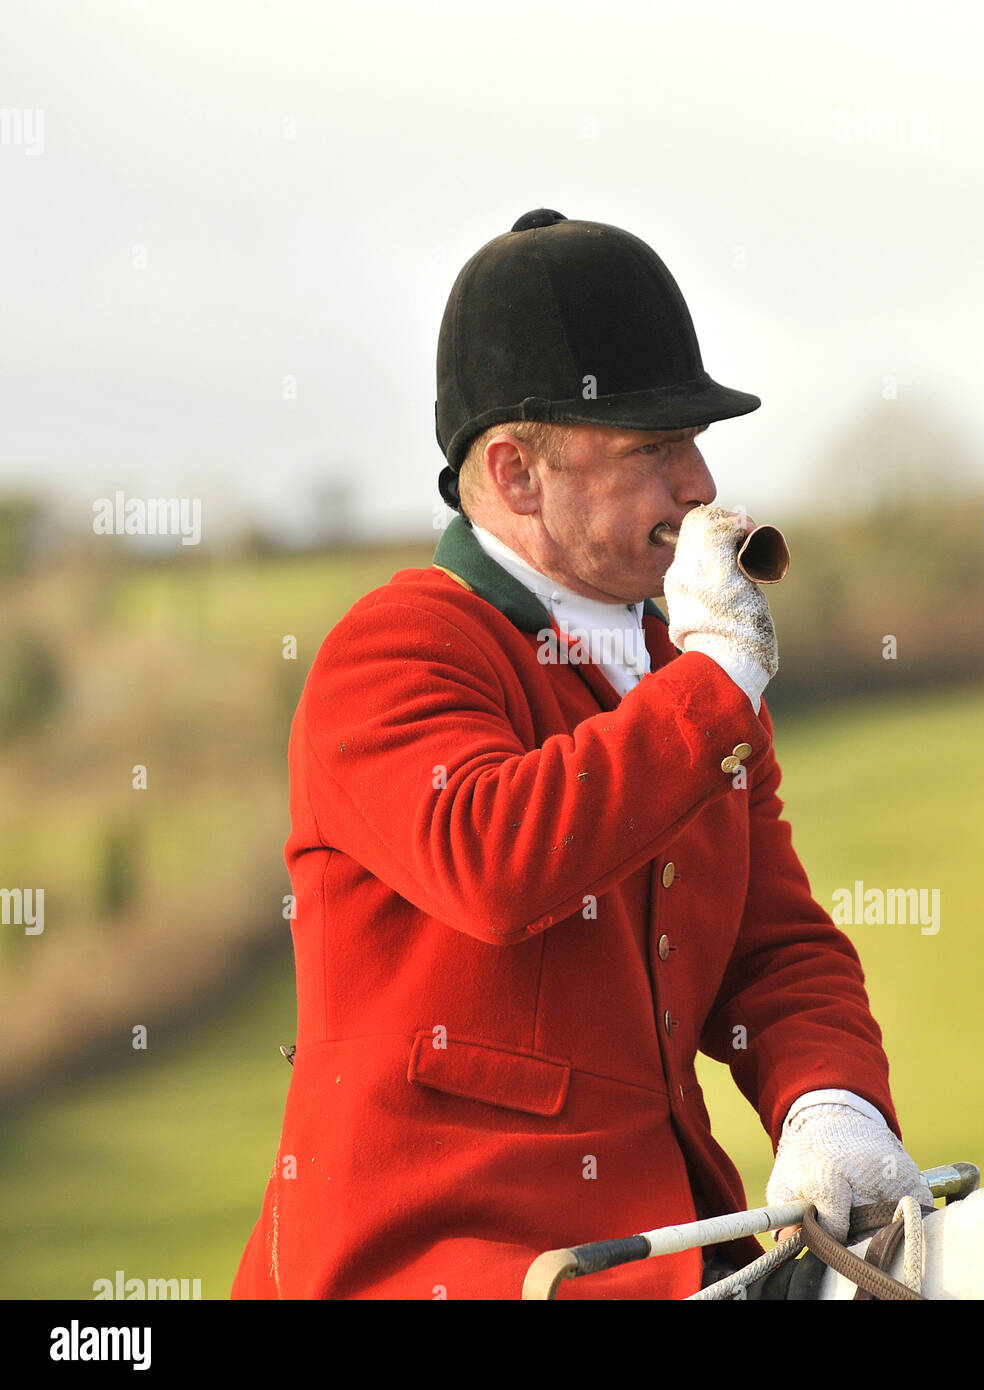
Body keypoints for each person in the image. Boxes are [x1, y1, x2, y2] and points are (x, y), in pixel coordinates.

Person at [231, 209, 927, 1301]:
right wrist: (710, 689)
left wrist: (828, 1101)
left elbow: (772, 946)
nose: (697, 484)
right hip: (433, 1267)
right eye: (653, 448)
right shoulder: (396, 646)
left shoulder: (681, 672)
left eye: (694, 442)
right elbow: (496, 861)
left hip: (655, 1254)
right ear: (514, 474)